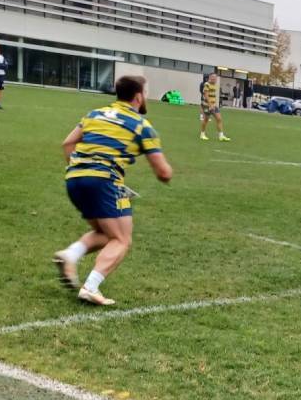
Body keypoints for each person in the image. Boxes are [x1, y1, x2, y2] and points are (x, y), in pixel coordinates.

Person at [53, 76, 173, 305]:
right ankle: (91, 287)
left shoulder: (94, 114)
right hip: (103, 180)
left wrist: (79, 169)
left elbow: (67, 144)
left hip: (74, 179)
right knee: (121, 239)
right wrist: (169, 170)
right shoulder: (140, 125)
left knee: (105, 233)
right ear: (138, 96)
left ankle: (70, 255)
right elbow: (163, 173)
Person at [200, 74, 231, 141]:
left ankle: (221, 136)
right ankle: (202, 134)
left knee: (219, 119)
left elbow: (213, 96)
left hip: (214, 106)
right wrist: (210, 105)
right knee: (206, 120)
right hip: (207, 105)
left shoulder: (214, 85)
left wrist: (214, 104)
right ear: (210, 78)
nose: (215, 80)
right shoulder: (207, 84)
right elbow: (206, 95)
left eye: (215, 79)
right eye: (213, 78)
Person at [0, 44, 7, 109]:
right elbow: (2, 66)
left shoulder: (2, 57)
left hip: (1, 76)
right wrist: (1, 65)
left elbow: (6, 66)